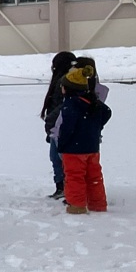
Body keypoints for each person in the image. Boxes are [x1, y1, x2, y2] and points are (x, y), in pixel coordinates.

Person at [57, 63, 111, 214]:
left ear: (67, 88)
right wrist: (95, 127)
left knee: (74, 177)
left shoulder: (70, 104)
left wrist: (62, 143)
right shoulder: (92, 101)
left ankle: (77, 206)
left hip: (73, 149)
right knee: (94, 176)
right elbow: (107, 112)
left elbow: (67, 127)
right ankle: (98, 204)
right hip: (92, 147)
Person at [41, 51, 78, 199]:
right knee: (57, 158)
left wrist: (50, 121)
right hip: (58, 127)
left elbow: (63, 106)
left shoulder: (66, 82)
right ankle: (63, 187)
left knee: (60, 159)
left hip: (60, 127)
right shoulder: (65, 81)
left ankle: (66, 188)